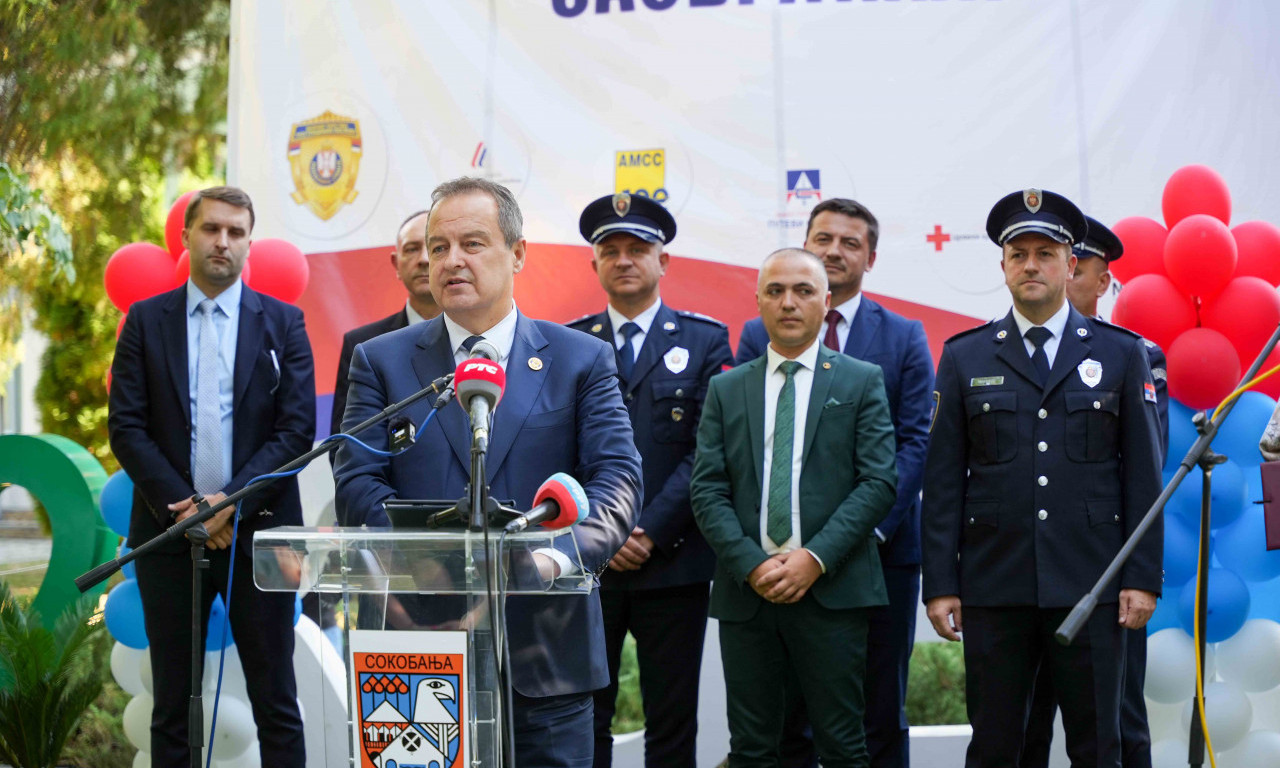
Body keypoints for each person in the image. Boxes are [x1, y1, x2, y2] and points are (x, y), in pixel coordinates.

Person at [333, 176, 643, 767]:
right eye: (438, 247)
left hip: (546, 657)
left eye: (472, 244)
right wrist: (428, 567)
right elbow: (357, 483)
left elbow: (617, 483)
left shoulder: (581, 360)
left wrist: (548, 561)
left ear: (518, 253)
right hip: (417, 646)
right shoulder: (382, 360)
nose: (449, 261)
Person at [922, 189, 1163, 768]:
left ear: (1070, 265)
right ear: (1003, 267)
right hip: (995, 586)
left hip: (1093, 584)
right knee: (998, 747)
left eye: (1045, 253)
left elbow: (1143, 477)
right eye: (1018, 254)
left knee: (1099, 746)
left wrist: (1141, 577)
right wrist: (941, 582)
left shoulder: (1120, 354)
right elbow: (945, 479)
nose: (1031, 265)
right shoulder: (965, 356)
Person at [108, 186, 315, 767]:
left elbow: (295, 433)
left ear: (249, 241)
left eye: (236, 231)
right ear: (187, 236)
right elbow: (126, 426)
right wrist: (192, 508)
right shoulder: (147, 321)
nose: (223, 241)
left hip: (263, 532)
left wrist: (229, 503)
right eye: (211, 229)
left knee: (277, 699)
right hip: (167, 532)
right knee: (172, 704)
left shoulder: (285, 324)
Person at [737, 199, 934, 768]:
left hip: (881, 551)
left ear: (870, 258)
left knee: (878, 710)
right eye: (822, 238)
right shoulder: (757, 334)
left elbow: (915, 442)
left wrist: (864, 532)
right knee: (789, 714)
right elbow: (753, 447)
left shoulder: (904, 336)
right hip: (784, 559)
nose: (834, 250)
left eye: (850, 243)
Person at [692, 247, 898, 768]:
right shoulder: (727, 387)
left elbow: (878, 482)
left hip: (833, 590)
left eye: (804, 291)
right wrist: (751, 563)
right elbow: (707, 489)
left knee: (843, 748)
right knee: (754, 750)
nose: (789, 302)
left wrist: (814, 558)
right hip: (749, 594)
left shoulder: (860, 379)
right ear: (758, 301)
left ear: (826, 303)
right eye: (776, 291)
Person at [567, 192, 734, 768]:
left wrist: (649, 530)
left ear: (664, 262)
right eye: (609, 250)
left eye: (638, 248)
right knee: (587, 712)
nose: (624, 260)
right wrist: (605, 534)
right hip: (591, 563)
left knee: (672, 722)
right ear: (594, 266)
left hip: (673, 559)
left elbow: (707, 451)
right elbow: (559, 452)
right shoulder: (567, 343)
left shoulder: (705, 340)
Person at [1020, 214, 1169, 768]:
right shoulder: (995, 350)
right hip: (1024, 578)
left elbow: (1143, 474)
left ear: (1100, 280)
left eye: (1076, 264)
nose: (1061, 271)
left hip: (1101, 576)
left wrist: (1137, 577)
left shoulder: (1135, 355)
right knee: (1020, 729)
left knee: (1117, 728)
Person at [329, 209, 437, 436]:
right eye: (412, 249)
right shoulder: (364, 346)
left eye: (435, 248)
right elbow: (346, 444)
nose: (424, 259)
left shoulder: (479, 338)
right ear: (396, 263)